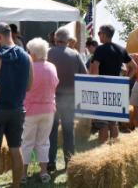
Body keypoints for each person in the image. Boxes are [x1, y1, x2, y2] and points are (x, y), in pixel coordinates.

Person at [0, 23, 33, 188]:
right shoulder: (27, 56)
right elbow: (29, 86)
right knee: (16, 149)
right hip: (18, 109)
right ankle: (16, 185)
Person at [47, 27, 88, 172]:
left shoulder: (48, 53)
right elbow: (85, 74)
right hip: (70, 97)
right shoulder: (75, 54)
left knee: (51, 131)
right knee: (68, 131)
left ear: (55, 39)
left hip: (52, 96)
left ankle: (50, 162)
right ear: (68, 40)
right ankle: (69, 161)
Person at [89, 25, 137, 144]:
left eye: (99, 33)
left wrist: (93, 84)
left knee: (102, 123)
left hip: (102, 87)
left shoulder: (100, 49)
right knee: (113, 122)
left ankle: (102, 150)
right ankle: (115, 148)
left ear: (104, 34)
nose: (99, 35)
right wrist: (125, 79)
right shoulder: (121, 49)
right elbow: (134, 67)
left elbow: (95, 68)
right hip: (117, 88)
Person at [21, 38, 58, 184]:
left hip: (30, 110)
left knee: (27, 142)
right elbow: (55, 84)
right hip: (48, 109)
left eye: (29, 51)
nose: (28, 53)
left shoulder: (28, 67)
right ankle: (43, 172)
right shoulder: (52, 67)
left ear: (34, 54)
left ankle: (23, 174)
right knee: (43, 142)